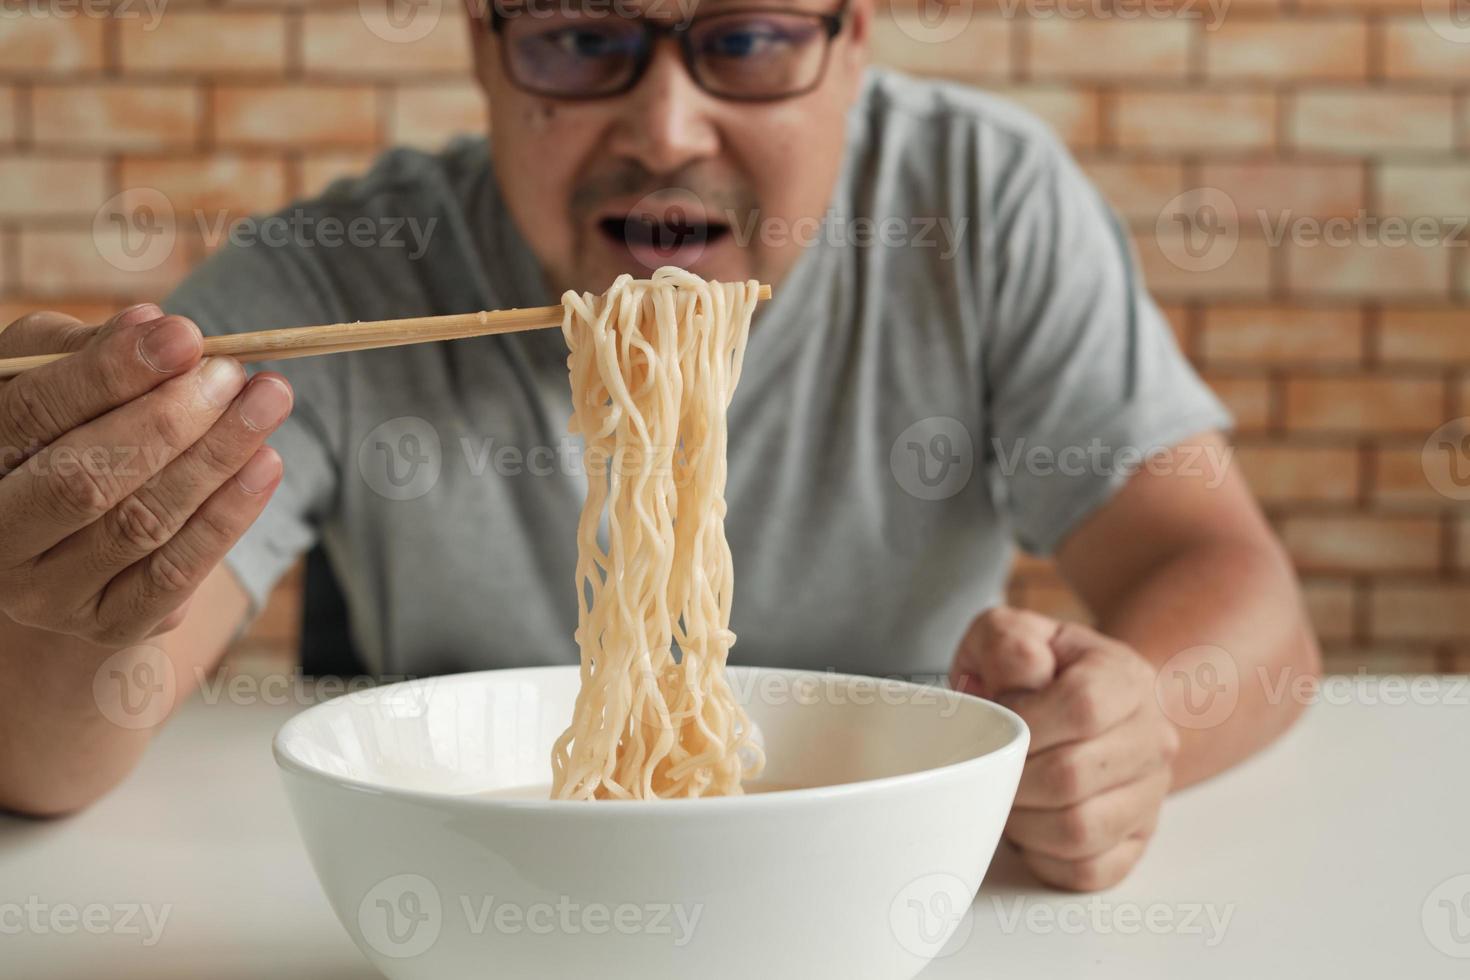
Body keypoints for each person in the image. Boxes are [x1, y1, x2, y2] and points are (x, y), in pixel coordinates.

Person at [0, 0, 1319, 891]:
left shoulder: (978, 208)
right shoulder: (343, 277)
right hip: (494, 907)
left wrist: (1131, 722)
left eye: (744, 38)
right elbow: (51, 754)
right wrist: (59, 587)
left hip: (886, 911)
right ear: (482, 47)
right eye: (581, 37)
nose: (665, 129)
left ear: (851, 43)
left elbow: (1227, 576)